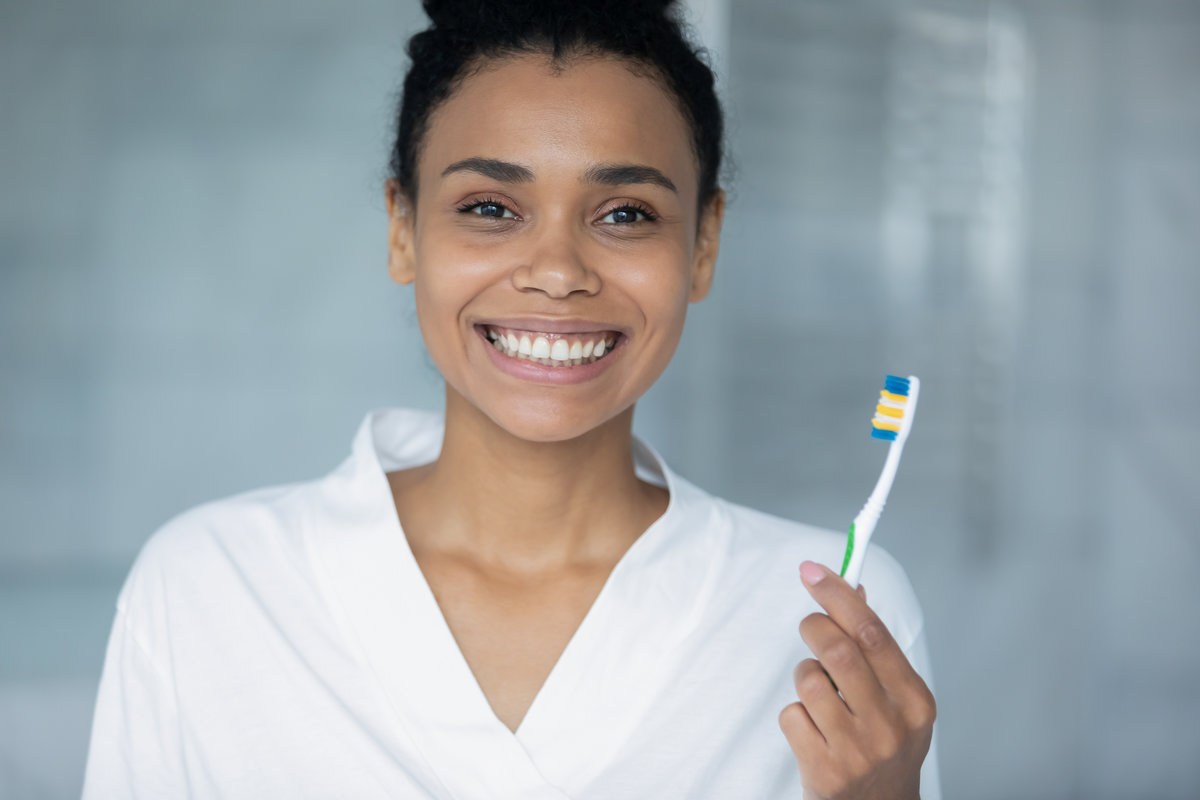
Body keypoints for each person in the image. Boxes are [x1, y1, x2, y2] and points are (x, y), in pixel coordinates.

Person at [82, 1, 939, 797]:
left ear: (703, 244)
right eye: (491, 207)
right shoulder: (209, 588)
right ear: (402, 228)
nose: (558, 271)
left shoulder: (833, 618)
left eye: (626, 214)